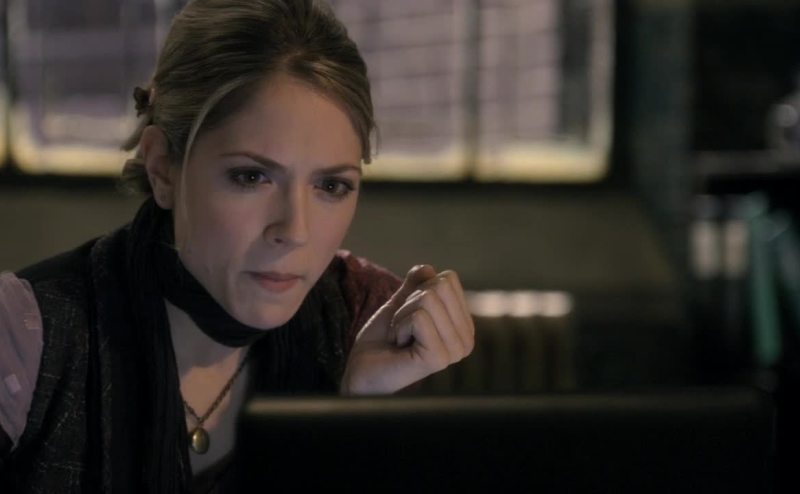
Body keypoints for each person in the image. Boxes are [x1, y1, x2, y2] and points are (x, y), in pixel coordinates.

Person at [0, 0, 475, 491]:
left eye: (331, 186)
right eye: (251, 177)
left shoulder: (365, 320)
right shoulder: (26, 336)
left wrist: (354, 413)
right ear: (162, 168)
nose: (295, 230)